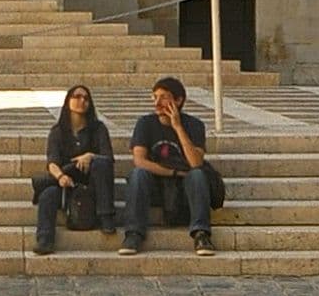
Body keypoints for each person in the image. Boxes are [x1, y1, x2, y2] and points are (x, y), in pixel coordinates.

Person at [122, 77, 221, 255]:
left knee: (197, 174)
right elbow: (140, 160)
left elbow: (195, 163)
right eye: (155, 97)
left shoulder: (194, 125)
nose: (157, 102)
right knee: (138, 174)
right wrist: (173, 172)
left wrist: (178, 127)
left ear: (178, 100)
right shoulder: (145, 123)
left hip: (185, 188)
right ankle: (133, 234)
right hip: (156, 185)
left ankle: (201, 234)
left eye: (164, 97)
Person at [31, 82, 116, 253]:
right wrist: (61, 177)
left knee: (100, 163)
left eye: (86, 98)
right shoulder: (58, 131)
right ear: (68, 101)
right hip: (66, 180)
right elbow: (52, 162)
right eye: (76, 96)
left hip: (91, 181)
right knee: (47, 195)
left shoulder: (98, 129)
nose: (82, 100)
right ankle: (45, 240)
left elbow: (108, 158)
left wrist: (90, 156)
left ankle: (106, 216)